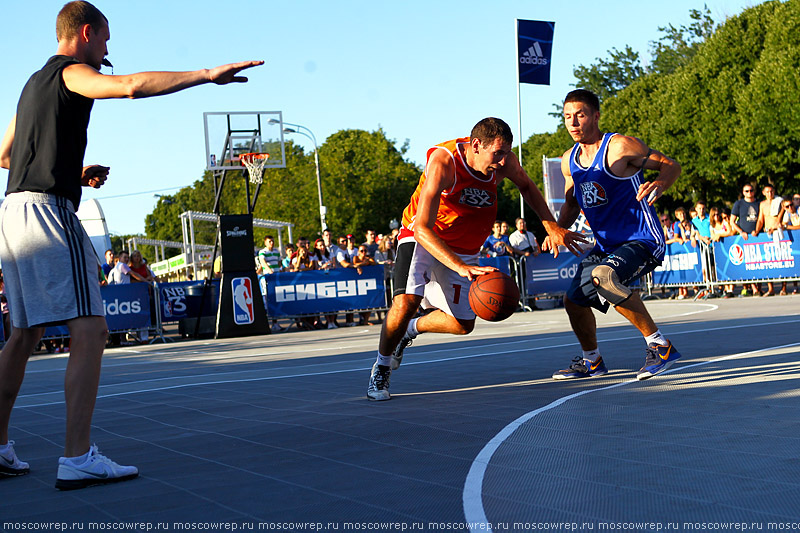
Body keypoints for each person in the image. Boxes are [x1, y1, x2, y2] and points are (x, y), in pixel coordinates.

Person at [0, 1, 261, 488]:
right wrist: (206, 75)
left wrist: (70, 171)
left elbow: (5, 155)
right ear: (84, 33)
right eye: (104, 38)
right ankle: (77, 456)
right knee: (92, 330)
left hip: (13, 211)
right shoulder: (69, 72)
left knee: (23, 334)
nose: (107, 49)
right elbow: (129, 86)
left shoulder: (30, 84)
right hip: (48, 213)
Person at [367, 117, 586, 401]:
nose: (503, 160)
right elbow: (422, 227)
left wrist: (552, 226)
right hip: (423, 236)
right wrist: (458, 265)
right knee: (405, 302)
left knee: (462, 325)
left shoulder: (505, 161)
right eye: (497, 153)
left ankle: (410, 329)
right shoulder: (444, 162)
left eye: (506, 152)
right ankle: (382, 367)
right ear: (476, 145)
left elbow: (528, 188)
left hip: (465, 247)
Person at [551, 89, 682, 382]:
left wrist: (661, 182)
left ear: (595, 116)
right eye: (568, 117)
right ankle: (592, 360)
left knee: (605, 277)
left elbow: (671, 165)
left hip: (642, 238)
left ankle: (660, 346)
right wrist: (559, 229)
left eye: (580, 115)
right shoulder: (568, 161)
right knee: (574, 300)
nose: (573, 122)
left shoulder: (620, 147)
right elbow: (572, 202)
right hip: (607, 245)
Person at [311, 238, 339, 329]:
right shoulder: (315, 257)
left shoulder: (330, 254)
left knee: (334, 302)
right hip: (322, 281)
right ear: (316, 247)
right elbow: (315, 269)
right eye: (320, 246)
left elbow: (334, 265)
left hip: (331, 278)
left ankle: (333, 320)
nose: (322, 247)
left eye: (323, 245)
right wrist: (323, 267)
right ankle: (328, 321)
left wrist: (330, 266)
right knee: (326, 302)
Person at [352, 245, 377, 326]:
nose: (363, 253)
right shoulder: (356, 257)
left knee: (369, 302)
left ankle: (366, 320)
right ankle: (361, 319)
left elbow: (374, 263)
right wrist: (364, 263)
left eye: (365, 251)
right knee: (361, 302)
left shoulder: (368, 258)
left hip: (367, 282)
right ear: (358, 251)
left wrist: (368, 261)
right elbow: (355, 264)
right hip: (357, 283)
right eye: (361, 251)